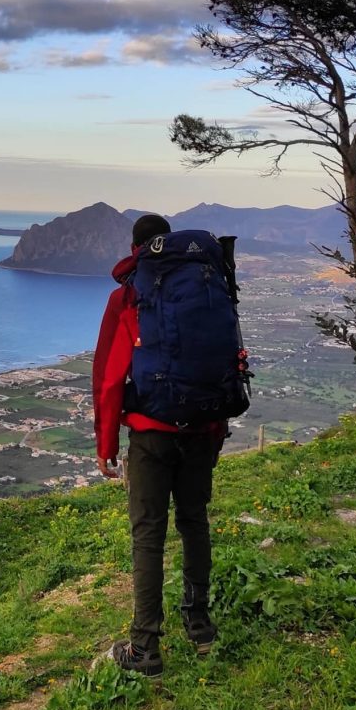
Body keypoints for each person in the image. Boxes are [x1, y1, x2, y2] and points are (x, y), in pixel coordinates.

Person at [93, 213, 224, 678]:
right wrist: (215, 425)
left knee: (148, 535)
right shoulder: (209, 285)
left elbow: (110, 377)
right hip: (203, 427)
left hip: (152, 432)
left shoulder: (129, 294)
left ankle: (145, 648)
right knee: (194, 522)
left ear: (137, 248)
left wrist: (106, 442)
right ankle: (200, 625)